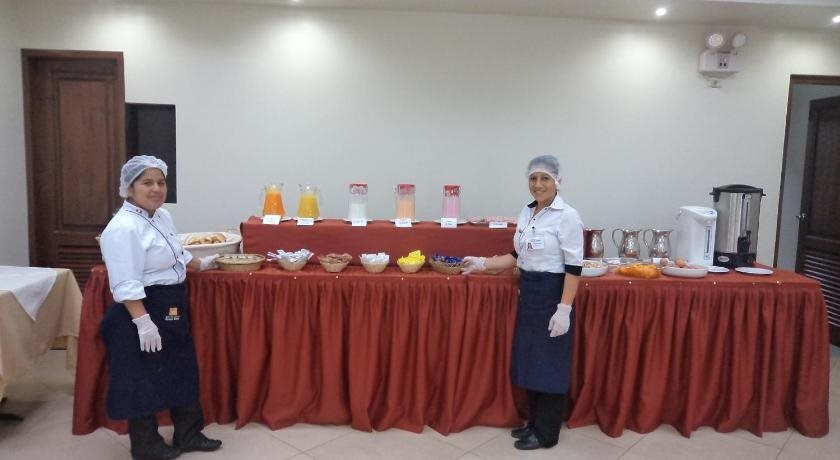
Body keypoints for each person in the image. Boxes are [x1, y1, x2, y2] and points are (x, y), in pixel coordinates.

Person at [99, 155, 222, 460]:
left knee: (181, 366)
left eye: (161, 182)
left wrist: (201, 263)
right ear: (129, 188)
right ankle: (147, 446)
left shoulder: (161, 216)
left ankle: (189, 434)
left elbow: (174, 251)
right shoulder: (123, 227)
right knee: (143, 375)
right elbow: (125, 281)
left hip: (171, 302)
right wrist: (143, 322)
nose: (156, 189)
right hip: (143, 307)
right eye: (147, 183)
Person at [461, 154, 583, 450]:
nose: (537, 184)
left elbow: (574, 267)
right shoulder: (528, 213)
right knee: (532, 361)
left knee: (550, 364)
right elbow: (516, 256)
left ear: (557, 181)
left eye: (545, 178)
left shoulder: (567, 216)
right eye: (533, 178)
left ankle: (547, 433)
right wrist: (482, 263)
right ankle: (534, 423)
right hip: (529, 293)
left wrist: (564, 309)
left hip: (553, 294)